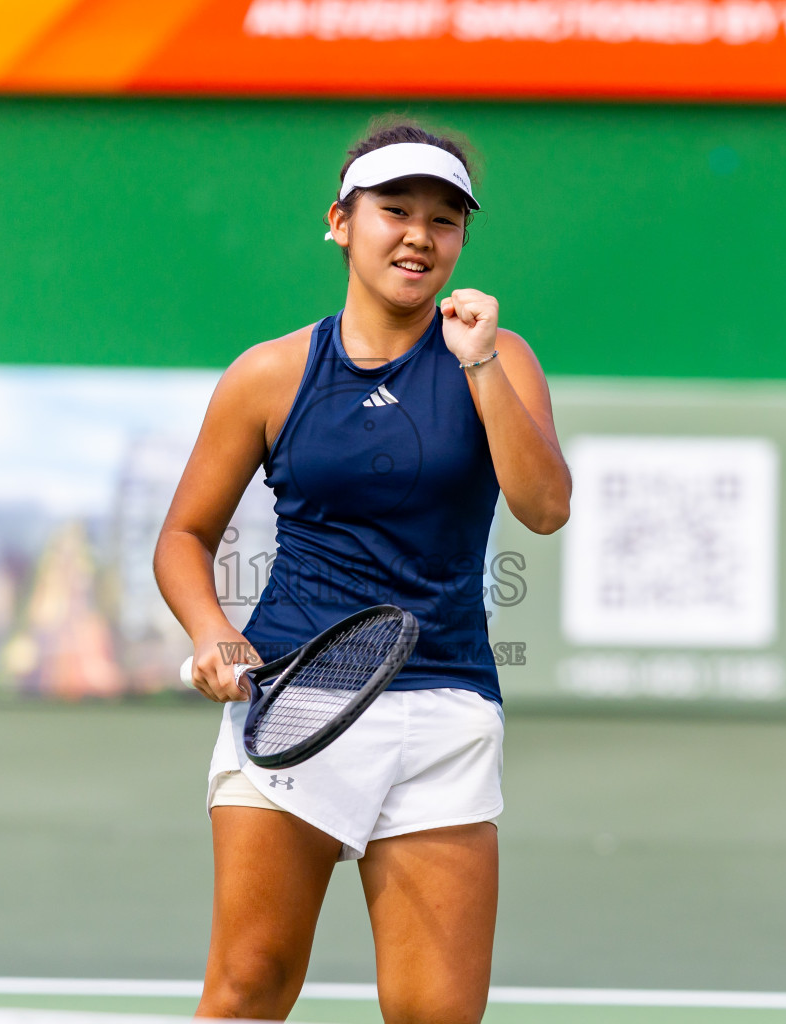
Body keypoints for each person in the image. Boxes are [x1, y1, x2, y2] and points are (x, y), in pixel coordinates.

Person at [153, 119, 571, 1024]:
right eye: (395, 210)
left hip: (447, 706)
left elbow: (544, 508)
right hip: (294, 699)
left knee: (437, 1015)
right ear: (340, 223)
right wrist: (213, 634)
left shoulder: (498, 359)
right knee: (248, 989)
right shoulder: (270, 375)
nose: (420, 234)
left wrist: (484, 365)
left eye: (445, 219)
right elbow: (184, 535)